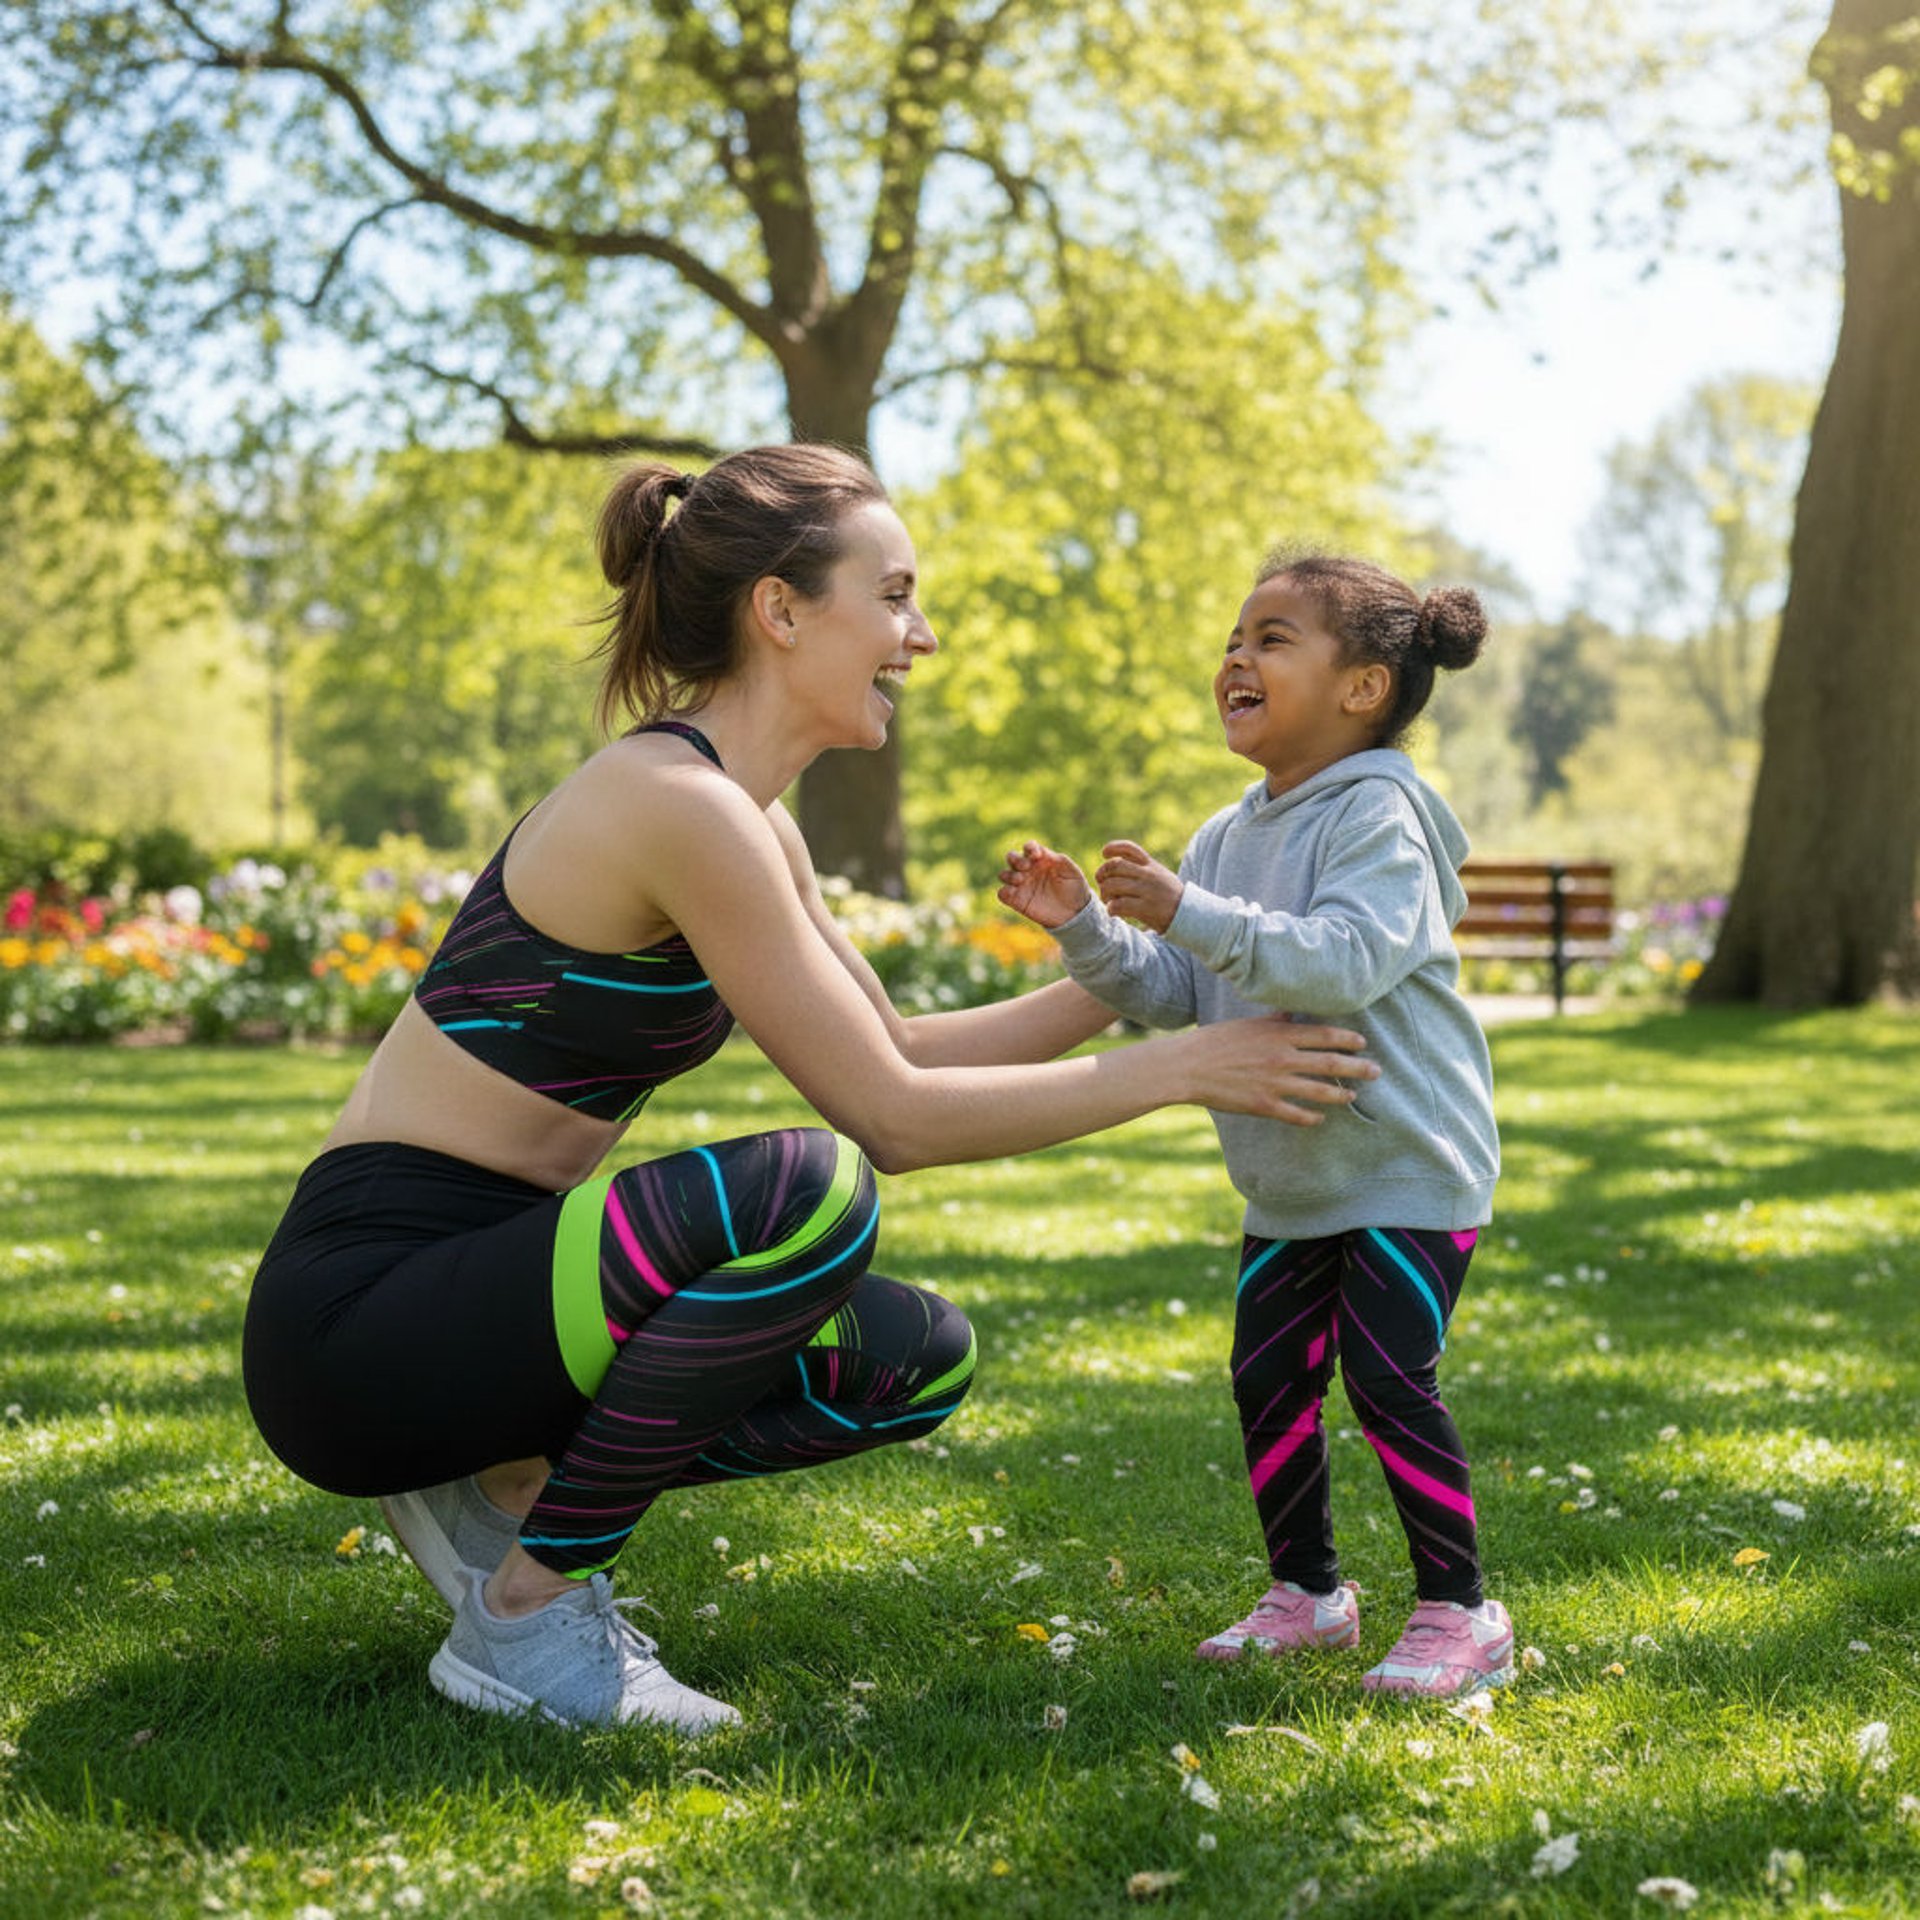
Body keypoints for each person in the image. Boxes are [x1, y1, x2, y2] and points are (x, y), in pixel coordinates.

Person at [242, 447, 1378, 1733]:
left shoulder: (750, 815)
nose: (921, 634)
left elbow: (895, 1043)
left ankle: (498, 1488)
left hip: (481, 1298)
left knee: (911, 1362)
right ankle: (529, 1620)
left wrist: (1159, 979)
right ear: (781, 611)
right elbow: (887, 1118)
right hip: (357, 1319)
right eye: (892, 596)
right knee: (811, 1190)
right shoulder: (674, 802)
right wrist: (1183, 1067)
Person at [997, 551, 1509, 1698]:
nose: (1237, 656)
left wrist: (1190, 910)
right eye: (1235, 636)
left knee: (1388, 1381)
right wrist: (1087, 927)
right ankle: (1310, 1595)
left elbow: (1347, 961)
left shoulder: (1381, 812)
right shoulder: (1228, 834)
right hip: (1290, 1180)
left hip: (1407, 1168)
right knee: (1267, 1382)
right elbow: (1184, 995)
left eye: (1273, 637)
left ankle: (1460, 1611)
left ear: (1363, 688)